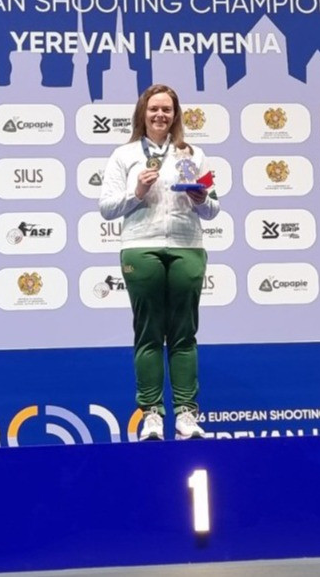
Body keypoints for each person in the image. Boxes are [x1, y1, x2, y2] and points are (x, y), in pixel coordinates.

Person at [99, 84, 221, 441]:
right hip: (141, 247)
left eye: (167, 109)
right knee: (149, 333)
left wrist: (200, 198)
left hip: (187, 246)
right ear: (143, 112)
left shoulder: (193, 154)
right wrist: (136, 192)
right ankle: (151, 415)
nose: (160, 115)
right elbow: (106, 208)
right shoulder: (124, 155)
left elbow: (213, 209)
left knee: (184, 334)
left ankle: (186, 415)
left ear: (175, 115)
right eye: (154, 109)